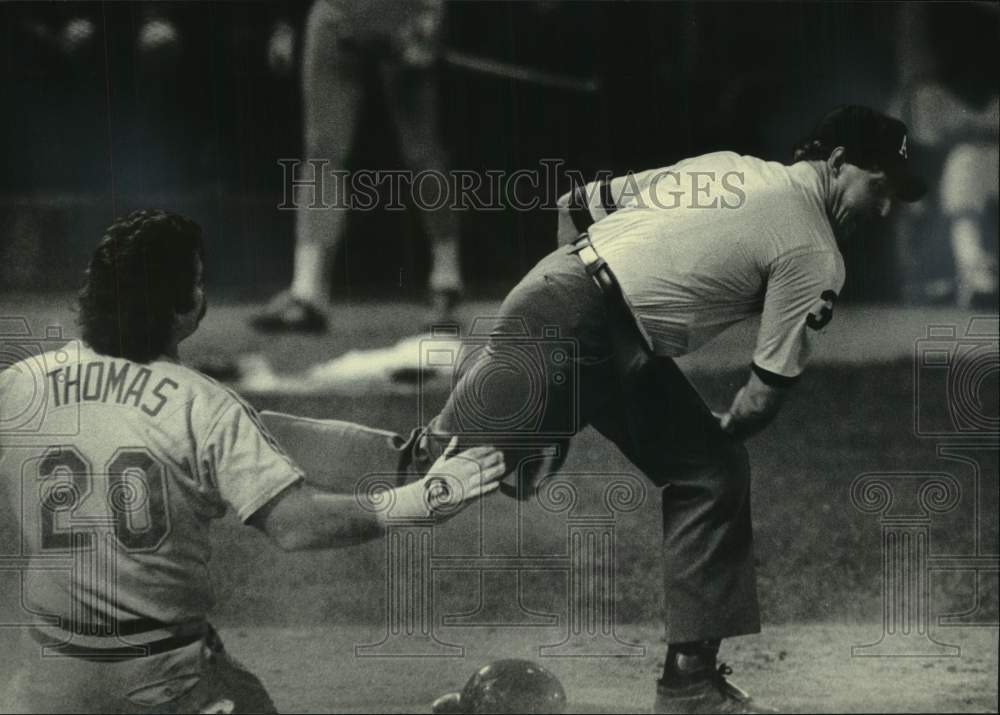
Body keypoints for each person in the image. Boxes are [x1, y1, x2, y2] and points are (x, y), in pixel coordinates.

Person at [411, 106, 927, 714]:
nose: (885, 208)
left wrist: (571, 337)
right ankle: (288, 486)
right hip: (585, 330)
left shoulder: (727, 167)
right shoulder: (815, 250)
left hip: (556, 295)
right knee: (430, 474)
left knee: (710, 473)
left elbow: (576, 205)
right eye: (880, 186)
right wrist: (721, 422)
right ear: (837, 163)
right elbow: (761, 397)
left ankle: (691, 686)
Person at [0, 210, 504, 714]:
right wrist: (420, 500)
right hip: (161, 681)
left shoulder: (19, 385)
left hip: (46, 685)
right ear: (183, 305)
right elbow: (296, 525)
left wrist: (403, 454)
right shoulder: (202, 405)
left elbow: (248, 433)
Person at [251, 0, 463, 334]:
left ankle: (446, 281)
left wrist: (430, 14)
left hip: (403, 14)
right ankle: (307, 293)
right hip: (338, 15)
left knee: (421, 150)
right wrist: (283, 23)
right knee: (323, 152)